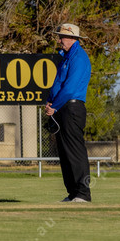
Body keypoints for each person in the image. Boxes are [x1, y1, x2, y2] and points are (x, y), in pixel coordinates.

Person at [45, 23, 92, 203]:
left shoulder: (79, 58)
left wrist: (54, 105)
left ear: (72, 38)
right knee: (65, 153)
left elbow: (70, 89)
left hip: (72, 109)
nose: (59, 40)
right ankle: (73, 193)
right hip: (62, 108)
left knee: (75, 151)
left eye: (62, 37)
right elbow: (58, 84)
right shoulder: (66, 58)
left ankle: (82, 194)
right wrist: (51, 101)